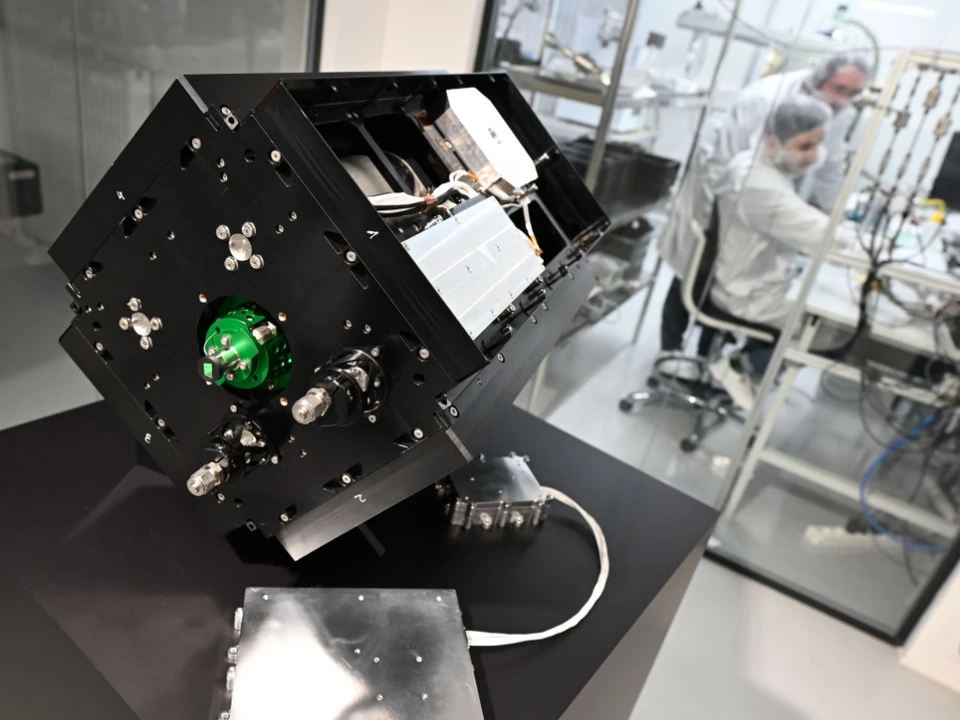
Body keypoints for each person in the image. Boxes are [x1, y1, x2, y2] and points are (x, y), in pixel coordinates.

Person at [656, 52, 870, 380]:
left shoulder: (833, 115)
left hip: (758, 205)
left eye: (852, 93)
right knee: (695, 264)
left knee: (723, 268)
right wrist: (726, 219)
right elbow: (725, 164)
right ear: (819, 78)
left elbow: (828, 170)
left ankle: (706, 357)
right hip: (723, 196)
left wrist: (830, 215)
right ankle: (674, 349)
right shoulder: (764, 99)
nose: (843, 100)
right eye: (838, 88)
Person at [707, 95, 855, 411]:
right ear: (773, 142)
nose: (815, 155)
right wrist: (863, 241)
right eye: (805, 146)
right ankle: (744, 365)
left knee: (828, 309)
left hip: (750, 277)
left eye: (819, 144)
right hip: (747, 294)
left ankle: (754, 360)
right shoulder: (760, 186)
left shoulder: (754, 163)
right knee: (837, 328)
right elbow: (823, 238)